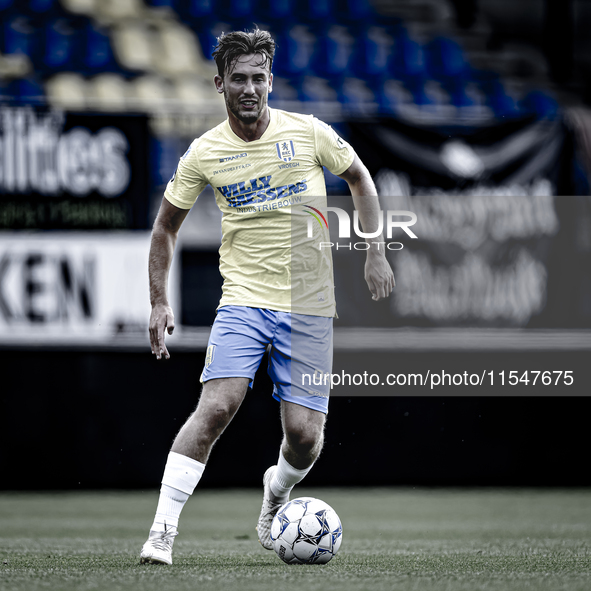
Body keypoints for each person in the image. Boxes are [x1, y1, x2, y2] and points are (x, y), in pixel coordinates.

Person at [140, 28, 394, 565]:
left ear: (271, 81)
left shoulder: (309, 133)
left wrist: (375, 251)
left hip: (309, 306)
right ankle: (161, 533)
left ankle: (275, 494)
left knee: (304, 438)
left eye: (259, 78)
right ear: (220, 84)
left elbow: (361, 180)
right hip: (244, 300)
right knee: (217, 406)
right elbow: (164, 228)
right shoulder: (205, 152)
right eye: (239, 79)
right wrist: (159, 300)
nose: (250, 88)